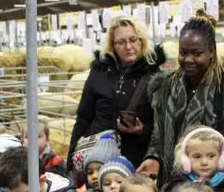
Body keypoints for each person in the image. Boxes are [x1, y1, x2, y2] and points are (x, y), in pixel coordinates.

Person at [137, 10, 224, 192]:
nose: (188, 59)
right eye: (183, 53)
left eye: (196, 53)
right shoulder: (165, 87)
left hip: (218, 186)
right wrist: (154, 157)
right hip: (172, 186)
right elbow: (159, 132)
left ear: (211, 51)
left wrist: (208, 164)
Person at [68, 16, 166, 172]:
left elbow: (160, 125)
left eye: (133, 40)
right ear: (113, 46)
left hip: (135, 159)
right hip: (99, 159)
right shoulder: (99, 73)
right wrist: (71, 163)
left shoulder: (155, 78)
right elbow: (84, 117)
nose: (128, 46)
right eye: (121, 42)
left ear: (141, 41)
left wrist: (141, 130)